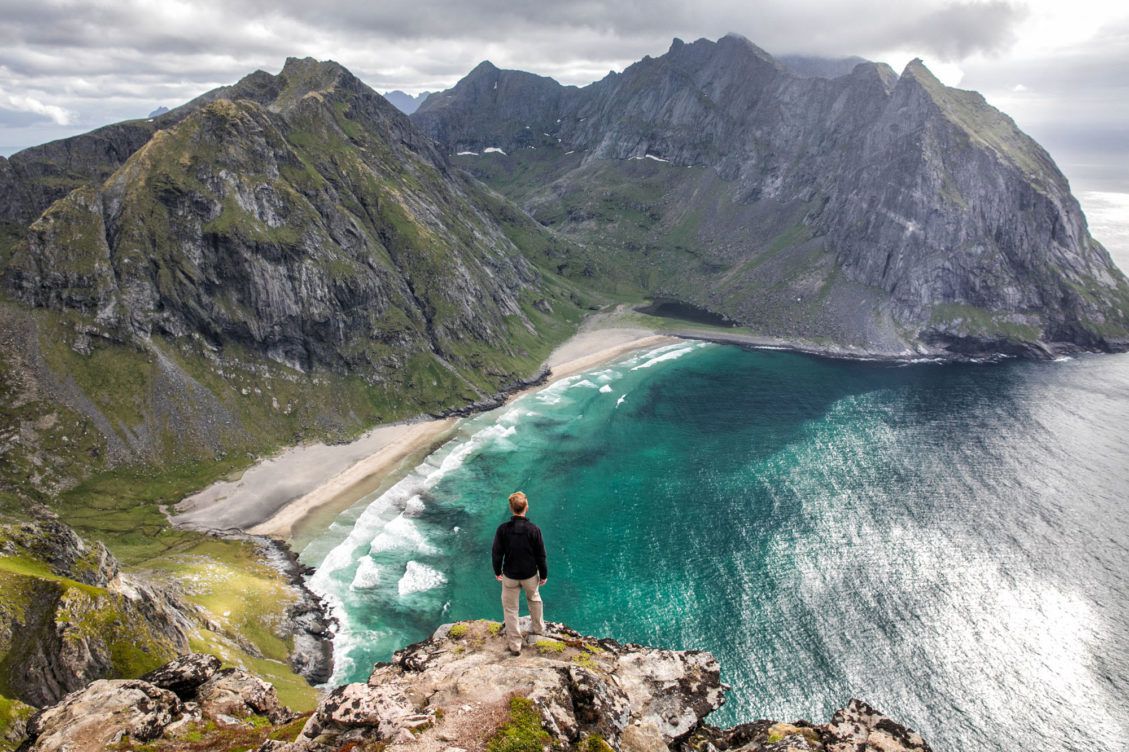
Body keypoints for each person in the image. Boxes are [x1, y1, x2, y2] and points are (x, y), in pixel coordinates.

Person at [491, 490, 548, 655]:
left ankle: (515, 645)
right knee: (534, 599)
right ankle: (538, 630)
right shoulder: (534, 530)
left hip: (510, 576)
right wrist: (543, 574)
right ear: (526, 507)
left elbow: (496, 553)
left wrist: (497, 571)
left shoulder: (502, 529)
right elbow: (541, 555)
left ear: (511, 508)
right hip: (530, 575)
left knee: (510, 609)